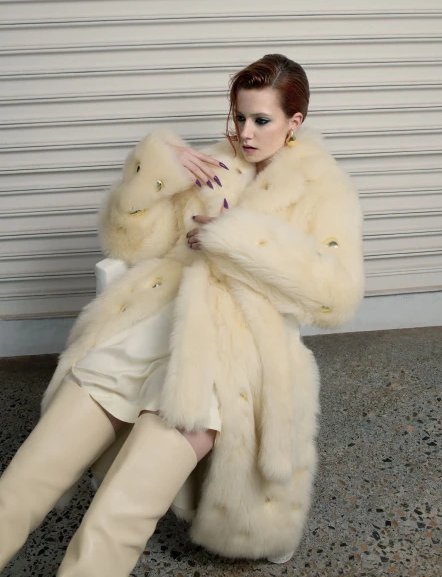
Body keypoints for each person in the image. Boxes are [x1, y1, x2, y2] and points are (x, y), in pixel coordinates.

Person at [0, 53, 365, 576]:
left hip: (224, 357)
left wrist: (234, 236)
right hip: (147, 329)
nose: (245, 132)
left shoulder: (324, 190)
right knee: (20, 485)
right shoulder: (211, 164)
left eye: (262, 120)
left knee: (114, 519)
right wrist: (157, 166)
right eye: (240, 116)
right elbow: (130, 242)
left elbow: (338, 293)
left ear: (294, 122)